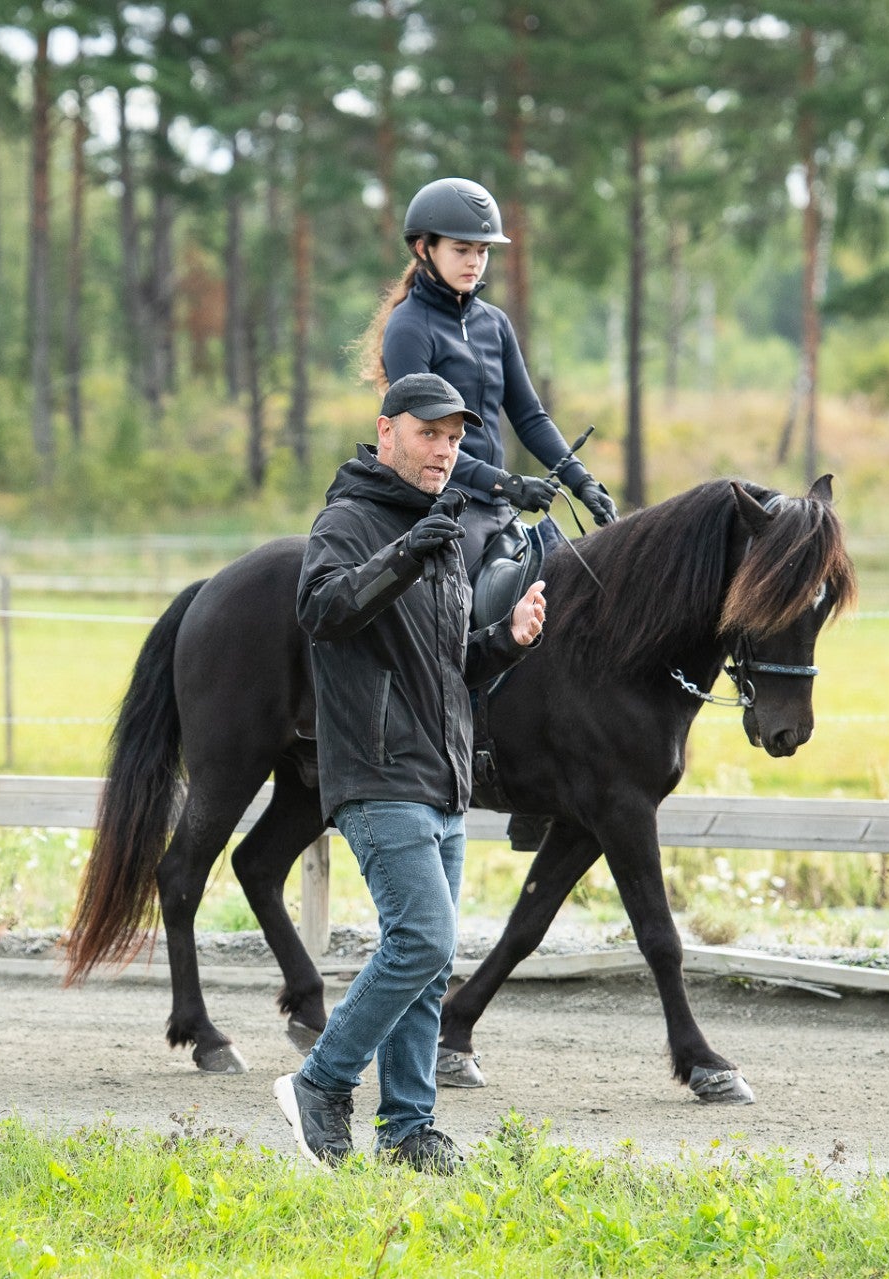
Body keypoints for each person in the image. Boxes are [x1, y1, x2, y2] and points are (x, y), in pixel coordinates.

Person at [275, 372, 547, 1174]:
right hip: (376, 769)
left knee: (427, 960)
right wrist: (405, 553)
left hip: (442, 778)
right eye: (430, 433)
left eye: (457, 437)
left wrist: (508, 639)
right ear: (387, 430)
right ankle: (319, 1083)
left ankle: (407, 1128)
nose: (445, 449)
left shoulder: (441, 531)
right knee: (424, 937)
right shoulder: (350, 519)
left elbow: (449, 661)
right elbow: (321, 611)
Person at [354, 176, 621, 570]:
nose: (474, 262)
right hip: (442, 504)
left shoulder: (494, 323)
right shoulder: (408, 328)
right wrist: (507, 483)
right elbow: (420, 440)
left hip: (497, 507)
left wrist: (582, 482)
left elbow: (530, 418)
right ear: (423, 248)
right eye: (461, 249)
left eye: (482, 251)